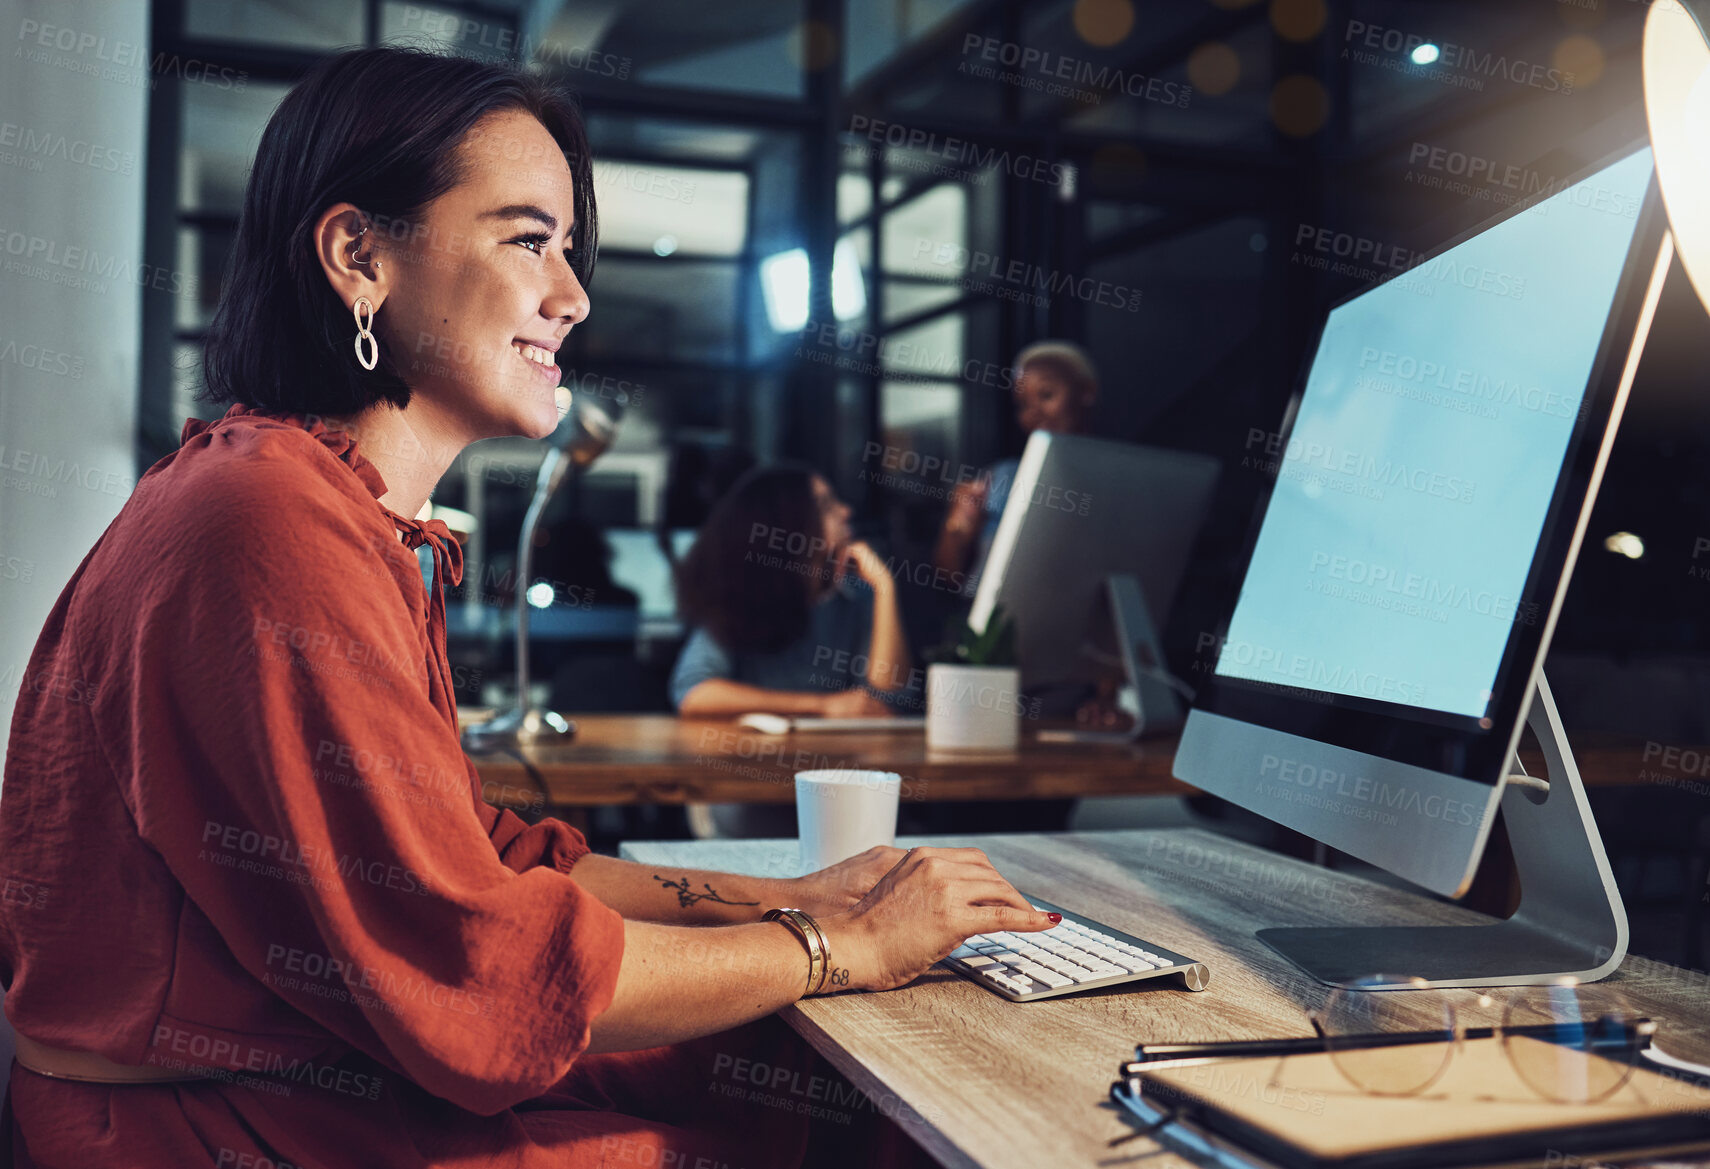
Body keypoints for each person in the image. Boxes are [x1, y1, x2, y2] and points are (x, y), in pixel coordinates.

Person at [0, 47, 1058, 1169]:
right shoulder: (271, 522)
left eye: (567, 247)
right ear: (359, 254)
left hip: (305, 1078)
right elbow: (476, 961)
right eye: (527, 240)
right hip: (214, 1128)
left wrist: (795, 895)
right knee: (829, 1110)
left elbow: (488, 858)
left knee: (796, 1074)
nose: (574, 295)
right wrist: (832, 939)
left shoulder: (317, 502)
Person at [670, 464, 918, 719]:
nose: (846, 511)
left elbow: (890, 700)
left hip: (841, 757)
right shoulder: (738, 598)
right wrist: (821, 705)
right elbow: (693, 693)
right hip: (753, 755)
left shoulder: (857, 597)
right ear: (785, 524)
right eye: (825, 506)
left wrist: (885, 588)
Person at [931, 340, 1100, 590]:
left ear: (1086, 392)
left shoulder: (1113, 480)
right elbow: (947, 574)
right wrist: (957, 528)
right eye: (1023, 405)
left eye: (1046, 394)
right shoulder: (1002, 477)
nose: (1034, 413)